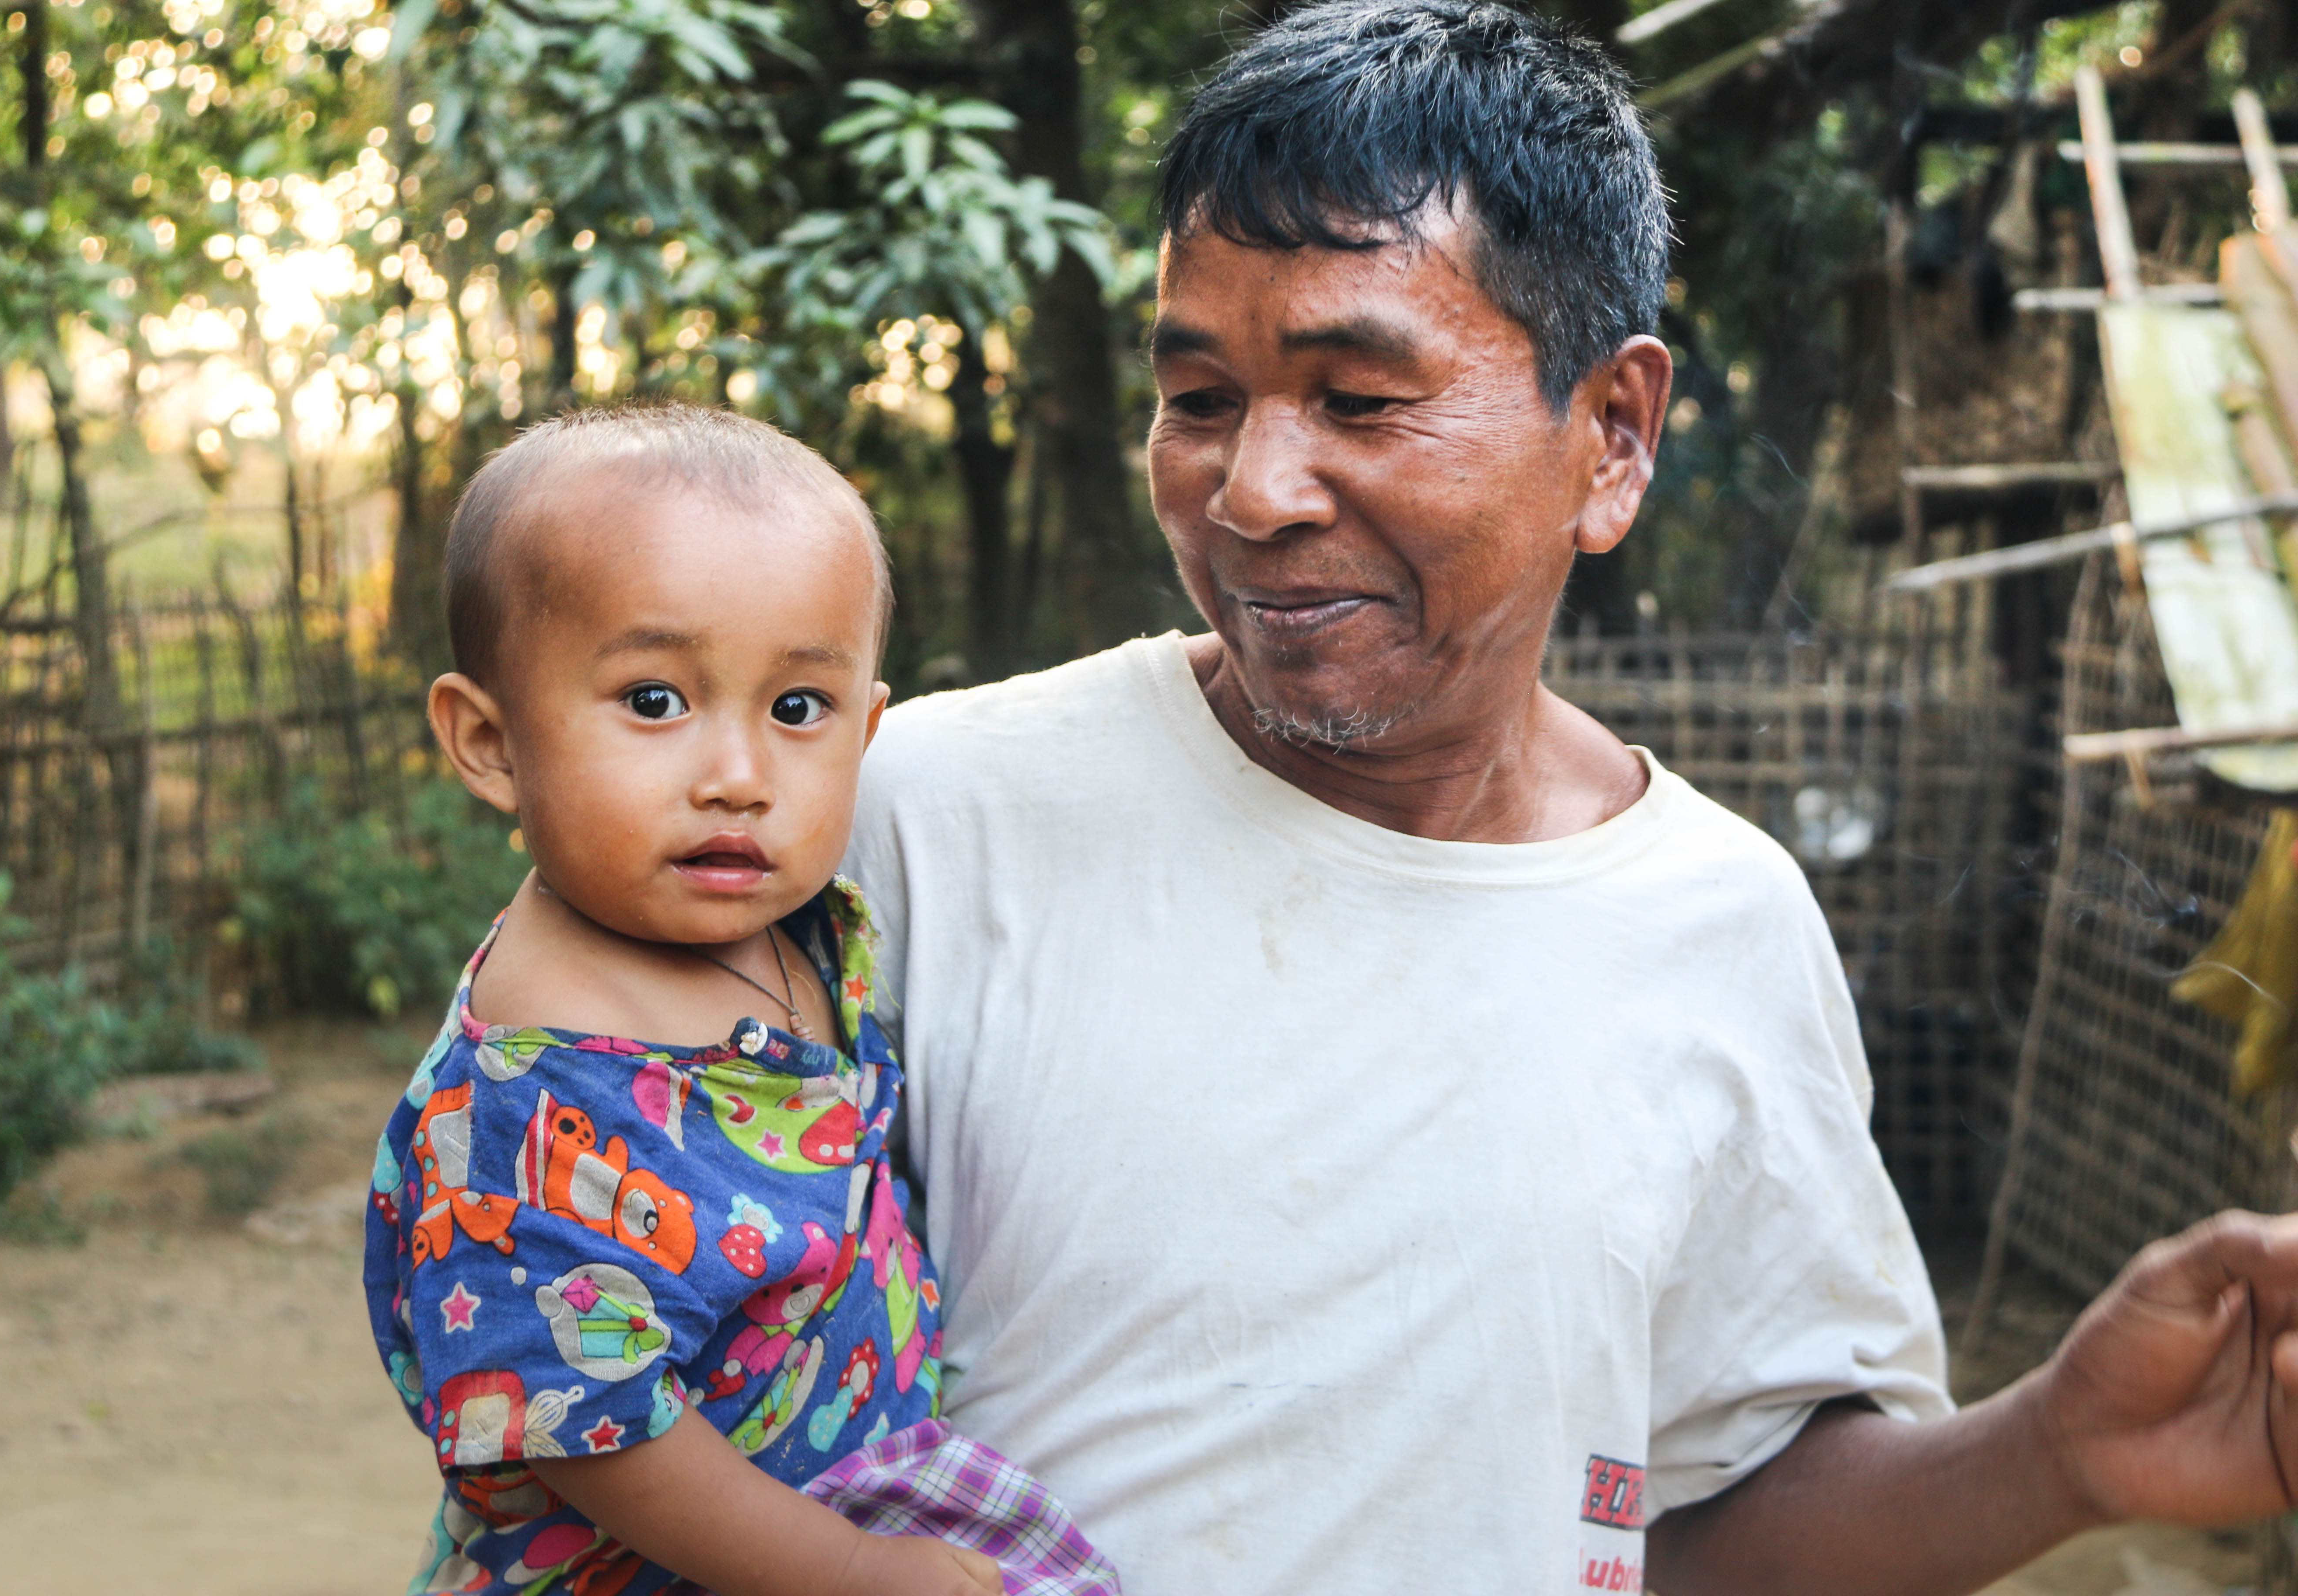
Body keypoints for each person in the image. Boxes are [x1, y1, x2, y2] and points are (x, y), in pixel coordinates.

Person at [840, 4, 2298, 1594]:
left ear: (1611, 437)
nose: (1252, 493)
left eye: (1361, 399)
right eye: (1200, 399)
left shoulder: (1720, 927)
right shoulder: (926, 816)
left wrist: (2058, 1453)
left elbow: (1717, 1514)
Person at [361, 403, 1119, 1596]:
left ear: (866, 732)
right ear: (491, 741)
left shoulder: (806, 930)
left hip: (853, 1475)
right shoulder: (535, 1091)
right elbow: (586, 1426)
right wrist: (851, 1571)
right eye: (655, 702)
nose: (739, 777)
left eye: (798, 710)